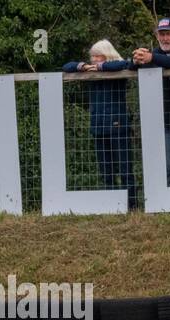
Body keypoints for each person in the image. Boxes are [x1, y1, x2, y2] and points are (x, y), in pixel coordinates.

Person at [101, 17, 170, 187]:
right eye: (161, 34)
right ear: (157, 36)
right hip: (166, 120)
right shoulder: (154, 54)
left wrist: (152, 58)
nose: (164, 38)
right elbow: (131, 67)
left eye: (168, 34)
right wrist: (136, 60)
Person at [64, 41, 138, 209]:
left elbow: (125, 63)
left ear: (107, 55)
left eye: (98, 56)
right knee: (106, 170)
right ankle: (112, 206)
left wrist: (101, 67)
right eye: (93, 56)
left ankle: (132, 206)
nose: (95, 59)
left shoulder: (119, 67)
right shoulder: (90, 70)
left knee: (125, 168)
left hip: (118, 126)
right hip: (98, 127)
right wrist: (82, 66)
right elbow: (67, 66)